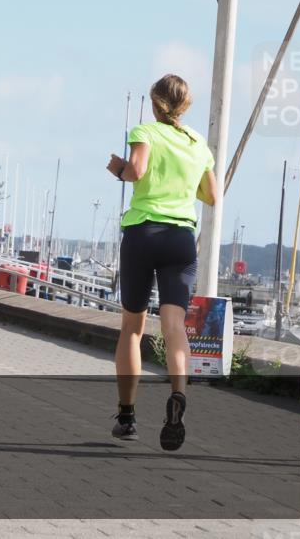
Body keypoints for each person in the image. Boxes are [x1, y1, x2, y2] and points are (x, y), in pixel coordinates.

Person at [105, 75, 217, 450]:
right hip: (181, 240)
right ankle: (178, 395)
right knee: (174, 326)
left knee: (132, 328)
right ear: (185, 106)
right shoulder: (198, 143)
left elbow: (136, 171)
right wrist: (183, 182)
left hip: (144, 233)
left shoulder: (146, 132)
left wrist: (119, 168)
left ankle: (127, 418)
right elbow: (212, 195)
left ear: (155, 104)